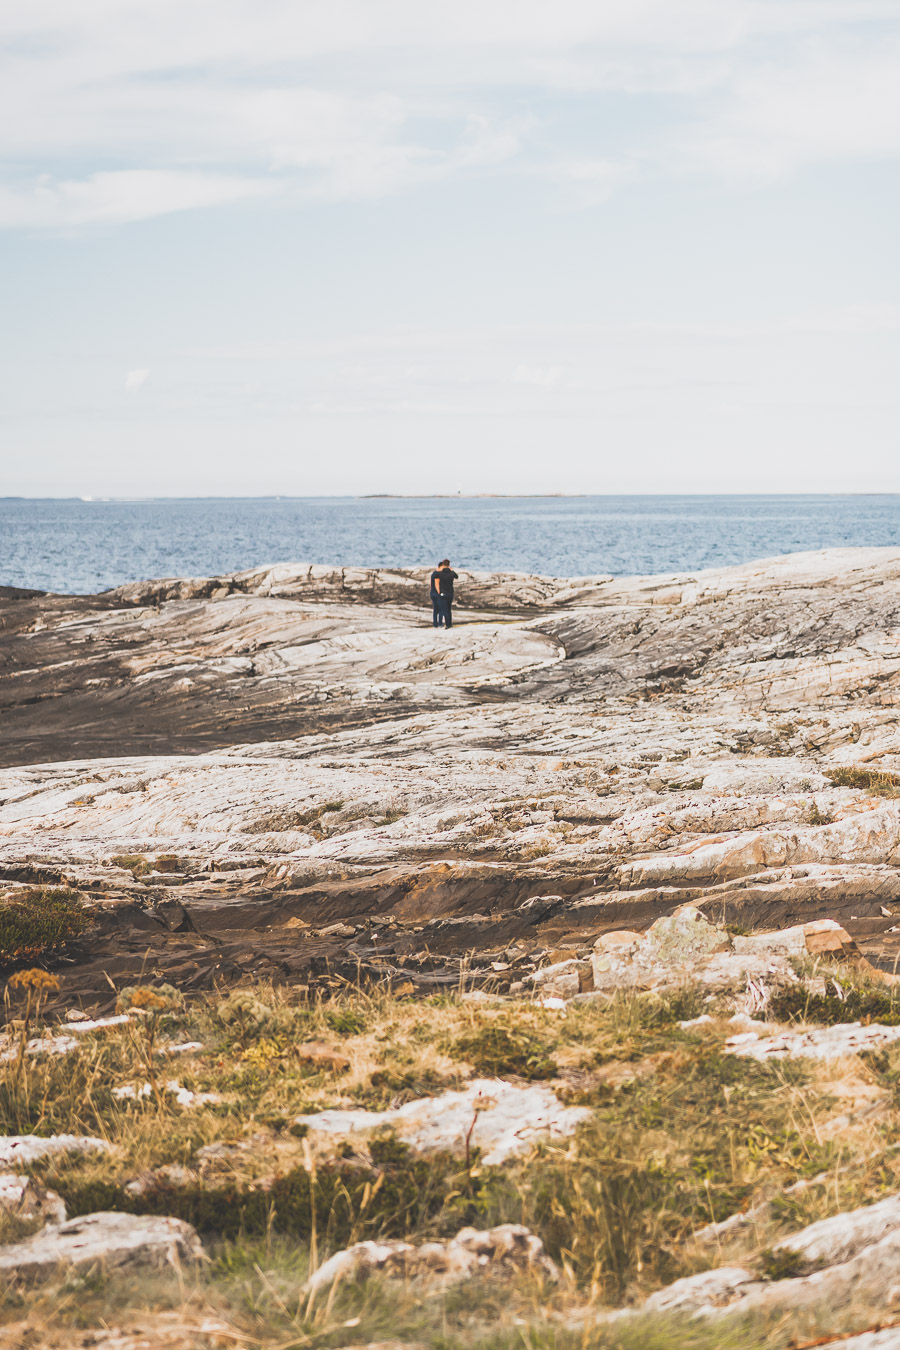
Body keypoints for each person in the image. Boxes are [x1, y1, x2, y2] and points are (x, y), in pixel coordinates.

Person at [435, 558, 458, 629]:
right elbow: (456, 576)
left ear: (443, 564)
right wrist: (452, 570)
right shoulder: (451, 573)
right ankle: (450, 623)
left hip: (443, 593)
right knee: (449, 609)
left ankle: (448, 624)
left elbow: (435, 576)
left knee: (445, 609)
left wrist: (439, 569)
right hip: (450, 593)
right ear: (449, 565)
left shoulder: (440, 574)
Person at [429, 562, 444, 628]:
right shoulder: (438, 574)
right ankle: (440, 623)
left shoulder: (433, 573)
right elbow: (437, 584)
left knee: (435, 609)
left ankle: (435, 624)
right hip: (436, 593)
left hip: (432, 593)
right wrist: (440, 592)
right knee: (441, 609)